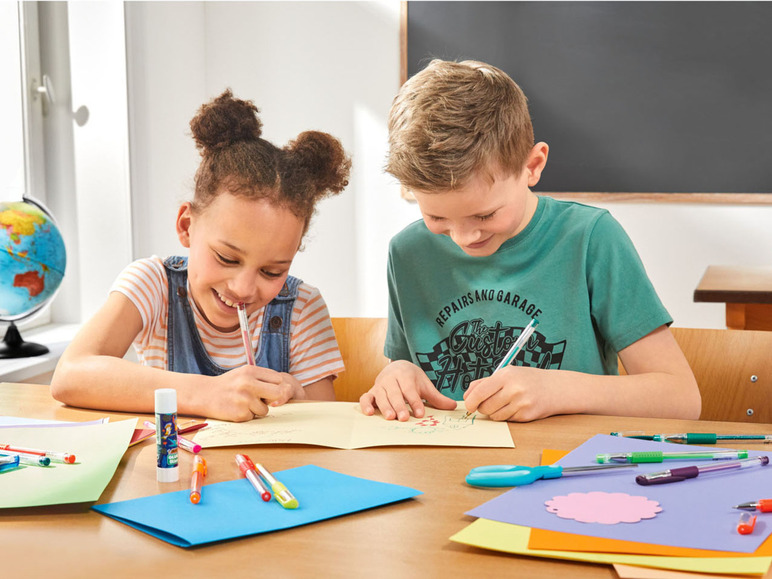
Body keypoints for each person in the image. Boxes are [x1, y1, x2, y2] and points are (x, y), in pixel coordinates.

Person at [360, 59, 701, 423]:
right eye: (437, 218)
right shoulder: (408, 252)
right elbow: (407, 372)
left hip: (565, 456)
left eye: (485, 215)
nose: (463, 237)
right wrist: (397, 374)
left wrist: (560, 390)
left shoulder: (590, 239)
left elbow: (681, 399)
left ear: (533, 165)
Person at [51, 89, 351, 422]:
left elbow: (329, 426)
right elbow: (70, 375)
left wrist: (300, 399)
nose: (243, 288)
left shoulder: (302, 308)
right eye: (227, 258)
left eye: (271, 271)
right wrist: (207, 394)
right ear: (186, 226)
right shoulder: (153, 285)